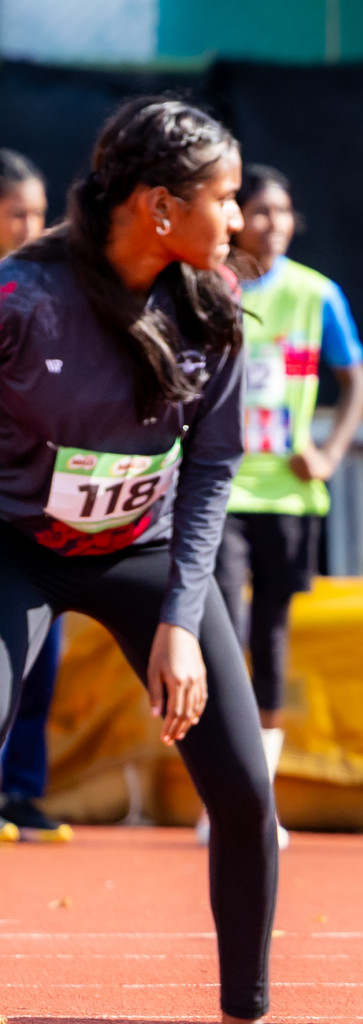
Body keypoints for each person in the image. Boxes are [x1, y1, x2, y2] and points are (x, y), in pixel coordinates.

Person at [0, 97, 276, 1023]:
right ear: (159, 206)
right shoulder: (20, 300)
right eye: (226, 198)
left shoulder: (218, 302)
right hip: (14, 551)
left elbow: (213, 464)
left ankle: (247, 1009)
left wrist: (180, 620)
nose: (239, 221)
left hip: (145, 553)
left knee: (244, 792)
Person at [208, 165, 363, 849]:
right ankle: (221, 794)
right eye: (261, 211)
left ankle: (257, 800)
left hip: (290, 493)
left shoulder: (315, 293)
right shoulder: (205, 286)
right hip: (219, 489)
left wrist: (330, 451)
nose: (274, 223)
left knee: (271, 637)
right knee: (225, 632)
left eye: (284, 211)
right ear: (236, 218)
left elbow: (356, 375)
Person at [0, 149, 73, 842]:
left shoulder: (55, 289)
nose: (32, 224)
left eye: (39, 212)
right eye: (17, 211)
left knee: (39, 662)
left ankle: (21, 793)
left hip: (39, 513)